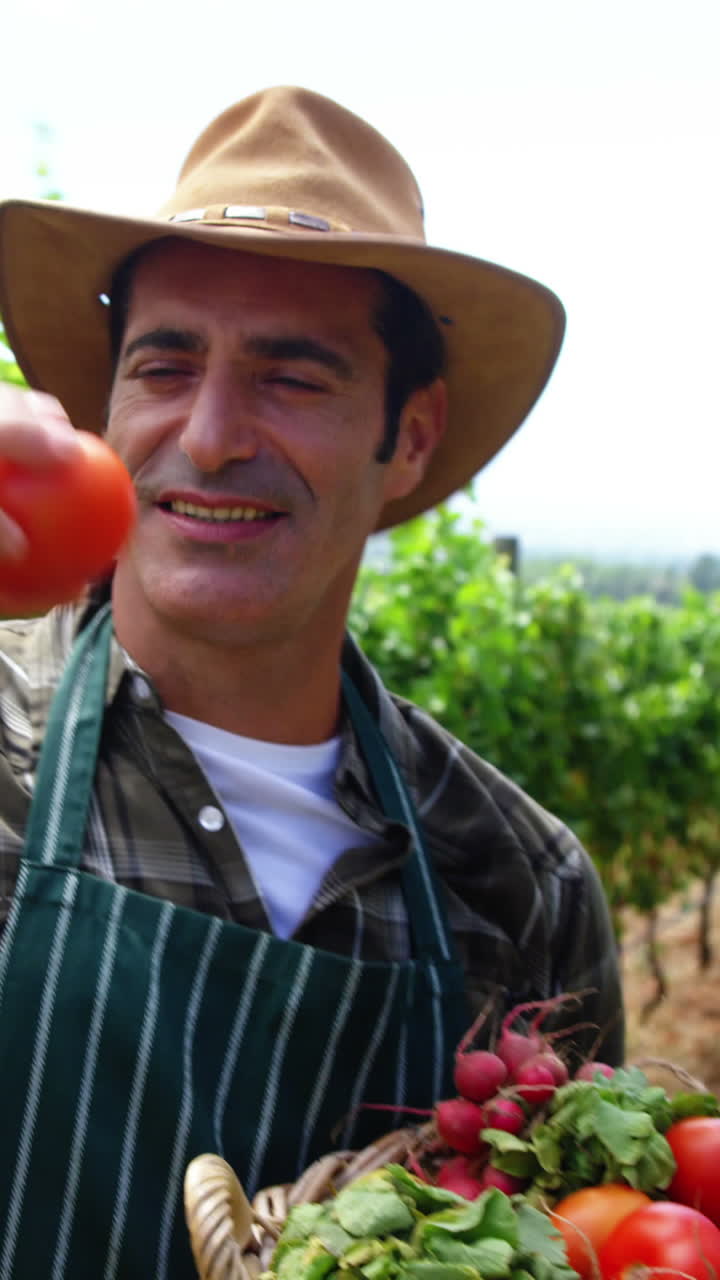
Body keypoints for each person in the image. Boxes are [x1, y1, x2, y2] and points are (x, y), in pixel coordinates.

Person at [0, 86, 623, 1279]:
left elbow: (579, 1234)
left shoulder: (518, 886)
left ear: (412, 435)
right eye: (165, 364)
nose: (211, 434)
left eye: (292, 377)